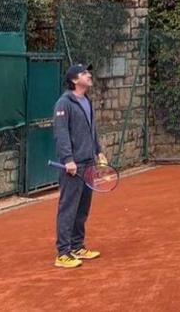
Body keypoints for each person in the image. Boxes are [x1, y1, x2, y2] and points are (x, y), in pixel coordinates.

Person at [51, 63, 107, 269]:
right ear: (75, 80)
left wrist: (98, 150)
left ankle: (77, 246)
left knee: (83, 208)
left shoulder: (86, 101)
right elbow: (61, 133)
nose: (89, 75)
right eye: (84, 73)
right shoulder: (63, 104)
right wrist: (67, 160)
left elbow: (91, 129)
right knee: (68, 208)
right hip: (73, 166)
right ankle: (63, 253)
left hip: (88, 163)